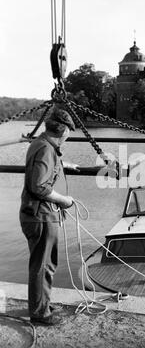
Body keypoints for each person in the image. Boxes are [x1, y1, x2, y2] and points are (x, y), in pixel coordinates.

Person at [19, 107, 79, 326]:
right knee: (44, 265)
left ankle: (40, 302)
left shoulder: (40, 143)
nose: (68, 137)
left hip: (37, 214)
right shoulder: (46, 149)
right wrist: (63, 200)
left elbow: (42, 169)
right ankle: (40, 313)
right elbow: (38, 186)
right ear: (63, 131)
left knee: (42, 263)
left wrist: (63, 165)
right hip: (41, 216)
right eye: (69, 132)